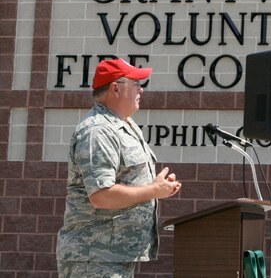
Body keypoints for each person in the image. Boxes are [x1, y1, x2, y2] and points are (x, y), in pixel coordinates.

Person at [57, 58, 182, 278]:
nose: (141, 89)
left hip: (113, 257)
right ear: (116, 88)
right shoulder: (98, 131)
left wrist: (157, 187)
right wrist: (154, 191)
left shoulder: (125, 125)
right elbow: (101, 195)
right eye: (136, 83)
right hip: (93, 257)